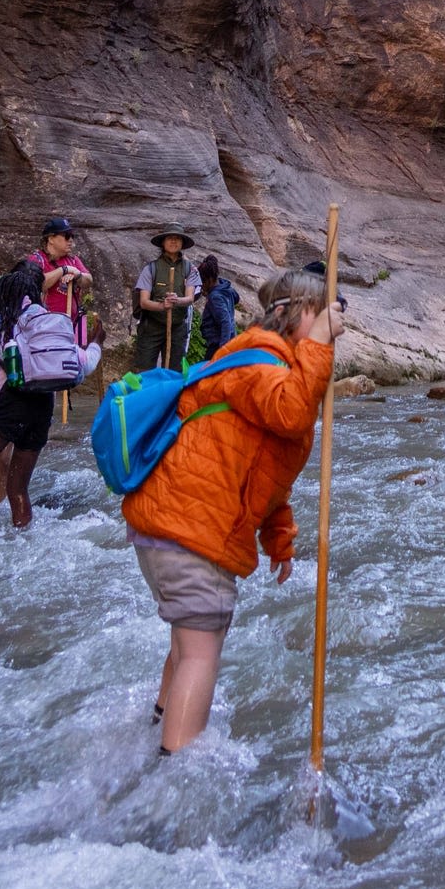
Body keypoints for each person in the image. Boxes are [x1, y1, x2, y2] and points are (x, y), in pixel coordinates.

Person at [122, 262, 339, 755]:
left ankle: (151, 737)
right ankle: (171, 776)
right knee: (201, 649)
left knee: (186, 642)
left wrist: (278, 539)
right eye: (322, 315)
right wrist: (320, 344)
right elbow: (292, 412)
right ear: (302, 313)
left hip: (172, 525)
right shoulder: (262, 361)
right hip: (193, 529)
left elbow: (266, 472)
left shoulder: (260, 362)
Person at [0, 260, 88, 529]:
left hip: (9, 406)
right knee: (18, 489)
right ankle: (22, 534)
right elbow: (84, 363)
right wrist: (98, 345)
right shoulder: (53, 322)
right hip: (44, 408)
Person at [136, 227, 198, 374]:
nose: (173, 241)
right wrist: (162, 305)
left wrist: (177, 301)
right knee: (144, 371)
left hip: (177, 327)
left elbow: (190, 298)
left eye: (177, 238)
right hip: (152, 326)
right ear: (163, 242)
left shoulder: (189, 269)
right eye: (170, 238)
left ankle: (171, 397)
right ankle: (145, 397)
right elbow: (143, 302)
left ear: (182, 243)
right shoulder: (151, 268)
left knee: (174, 372)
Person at [196, 253, 240, 361]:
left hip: (218, 344)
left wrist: (223, 350)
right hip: (230, 341)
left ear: (209, 279)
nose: (202, 285)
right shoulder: (225, 288)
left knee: (208, 374)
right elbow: (236, 298)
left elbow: (225, 322)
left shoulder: (215, 297)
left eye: (203, 282)